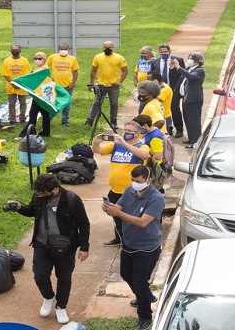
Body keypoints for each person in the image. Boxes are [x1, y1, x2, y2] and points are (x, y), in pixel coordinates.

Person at [9, 173, 90, 325]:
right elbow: (32, 211)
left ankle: (61, 306)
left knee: (64, 277)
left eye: (43, 193)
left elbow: (83, 223)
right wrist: (20, 208)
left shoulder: (71, 199)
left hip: (65, 245)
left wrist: (84, 247)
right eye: (38, 193)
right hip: (42, 243)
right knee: (40, 274)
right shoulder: (38, 196)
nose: (40, 196)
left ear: (55, 189)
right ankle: (48, 296)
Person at [102, 165, 165, 330]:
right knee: (125, 274)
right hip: (129, 242)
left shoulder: (156, 198)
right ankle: (145, 294)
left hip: (147, 246)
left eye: (138, 181)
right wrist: (111, 209)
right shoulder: (129, 191)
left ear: (149, 180)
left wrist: (118, 214)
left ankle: (145, 317)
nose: (134, 184)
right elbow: (120, 208)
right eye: (132, 180)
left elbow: (143, 222)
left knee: (139, 280)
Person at [91, 121, 149, 246]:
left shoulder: (141, 146)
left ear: (137, 134)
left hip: (131, 192)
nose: (126, 132)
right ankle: (119, 238)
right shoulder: (115, 146)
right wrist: (96, 141)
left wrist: (124, 143)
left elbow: (144, 155)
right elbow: (98, 150)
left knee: (129, 218)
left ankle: (131, 241)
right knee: (116, 217)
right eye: (125, 129)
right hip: (115, 190)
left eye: (129, 131)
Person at [85, 40, 128, 128]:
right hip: (101, 85)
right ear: (103, 47)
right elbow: (93, 70)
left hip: (114, 85)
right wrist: (91, 82)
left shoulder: (119, 58)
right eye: (105, 47)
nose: (107, 49)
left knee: (114, 103)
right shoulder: (98, 57)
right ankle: (89, 121)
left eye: (109, 47)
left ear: (113, 47)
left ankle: (113, 121)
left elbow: (125, 71)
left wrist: (119, 82)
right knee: (97, 103)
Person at [170, 53, 205, 148]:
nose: (188, 60)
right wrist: (173, 67)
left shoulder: (199, 71)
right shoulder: (189, 69)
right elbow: (181, 76)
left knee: (194, 122)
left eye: (190, 59)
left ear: (196, 61)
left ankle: (195, 141)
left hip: (194, 100)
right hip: (186, 99)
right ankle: (191, 139)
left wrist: (178, 67)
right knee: (188, 120)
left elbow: (190, 76)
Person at [151, 44, 185, 137]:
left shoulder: (178, 60)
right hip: (160, 90)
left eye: (165, 52)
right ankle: (166, 129)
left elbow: (182, 74)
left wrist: (173, 68)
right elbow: (153, 75)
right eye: (161, 52)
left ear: (169, 52)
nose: (163, 54)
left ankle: (179, 130)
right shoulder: (155, 62)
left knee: (175, 109)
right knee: (161, 110)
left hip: (173, 90)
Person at [18, 52, 51, 138]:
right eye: (35, 59)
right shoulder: (41, 68)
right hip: (41, 95)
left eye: (40, 59)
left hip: (40, 95)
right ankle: (45, 132)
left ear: (44, 59)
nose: (37, 60)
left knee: (33, 114)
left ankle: (27, 133)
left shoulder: (43, 69)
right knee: (44, 113)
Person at [47, 43, 79, 126]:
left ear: (68, 50)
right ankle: (49, 119)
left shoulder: (72, 59)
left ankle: (65, 120)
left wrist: (73, 83)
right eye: (61, 49)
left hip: (67, 85)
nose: (63, 51)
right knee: (52, 102)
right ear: (58, 49)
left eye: (65, 49)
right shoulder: (53, 57)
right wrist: (49, 77)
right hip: (55, 85)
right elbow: (45, 67)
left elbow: (75, 71)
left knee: (66, 103)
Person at [1, 44, 31, 126]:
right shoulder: (6, 61)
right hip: (11, 86)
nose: (15, 50)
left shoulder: (25, 60)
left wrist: (20, 84)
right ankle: (12, 119)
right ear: (10, 51)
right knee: (11, 103)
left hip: (22, 85)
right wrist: (13, 83)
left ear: (20, 50)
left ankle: (22, 118)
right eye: (13, 49)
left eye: (17, 49)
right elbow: (5, 74)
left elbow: (27, 74)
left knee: (23, 103)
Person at [147, 71, 173, 135]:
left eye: (149, 80)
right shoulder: (157, 88)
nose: (147, 82)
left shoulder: (164, 89)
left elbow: (155, 101)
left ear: (156, 81)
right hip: (157, 114)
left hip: (164, 116)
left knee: (163, 136)